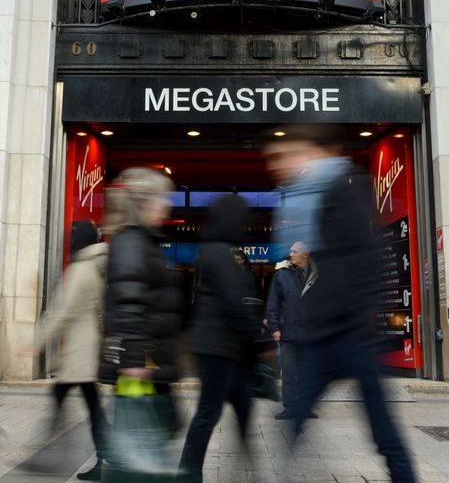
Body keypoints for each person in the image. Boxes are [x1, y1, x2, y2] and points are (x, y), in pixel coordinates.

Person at [264, 126, 416, 483]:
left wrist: (346, 312)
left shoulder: (343, 186)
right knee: (299, 415)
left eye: (293, 154)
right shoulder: (318, 192)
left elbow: (360, 260)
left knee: (379, 426)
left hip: (349, 333)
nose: (286, 164)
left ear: (316, 151)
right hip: (330, 330)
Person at [100, 167, 181, 474]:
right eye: (163, 198)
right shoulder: (133, 243)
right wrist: (135, 358)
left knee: (147, 443)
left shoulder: (141, 241)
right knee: (139, 451)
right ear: (145, 202)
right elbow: (128, 299)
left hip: (149, 364)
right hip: (140, 368)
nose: (167, 204)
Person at [177, 196, 262, 483]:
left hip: (227, 348)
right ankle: (187, 475)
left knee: (242, 407)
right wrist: (256, 333)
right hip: (217, 349)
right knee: (207, 414)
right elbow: (236, 299)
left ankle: (248, 471)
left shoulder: (222, 251)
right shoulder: (219, 252)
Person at [35, 221, 109, 480]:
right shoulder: (97, 266)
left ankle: (48, 456)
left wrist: (37, 342)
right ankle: (103, 456)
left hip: (79, 350)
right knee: (89, 405)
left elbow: (63, 311)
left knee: (67, 400)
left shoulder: (81, 269)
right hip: (86, 347)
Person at [265, 240, 317, 420]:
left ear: (306, 254)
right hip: (288, 332)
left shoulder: (316, 275)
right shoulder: (282, 275)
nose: (291, 254)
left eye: (295, 251)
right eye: (291, 250)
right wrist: (274, 327)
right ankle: (290, 407)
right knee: (288, 371)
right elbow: (273, 303)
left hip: (311, 333)